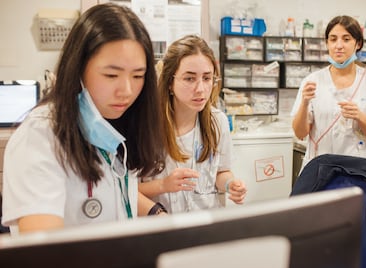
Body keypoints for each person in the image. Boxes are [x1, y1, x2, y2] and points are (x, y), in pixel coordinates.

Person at [1, 3, 167, 235]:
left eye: (138, 76)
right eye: (111, 75)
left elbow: (119, 198)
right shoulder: (41, 135)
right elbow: (43, 253)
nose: (127, 91)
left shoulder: (114, 126)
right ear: (78, 68)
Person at [139, 35, 247, 213]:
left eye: (207, 78)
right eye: (189, 79)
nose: (200, 89)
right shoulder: (145, 126)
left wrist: (230, 184)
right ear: (170, 83)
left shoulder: (217, 122)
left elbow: (220, 172)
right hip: (161, 228)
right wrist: (163, 186)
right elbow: (125, 191)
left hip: (205, 226)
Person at [291, 15, 366, 170]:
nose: (339, 45)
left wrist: (360, 117)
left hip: (360, 170)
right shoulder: (312, 81)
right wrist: (305, 104)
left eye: (346, 39)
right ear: (327, 43)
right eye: (333, 39)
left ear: (358, 44)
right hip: (321, 170)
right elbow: (300, 133)